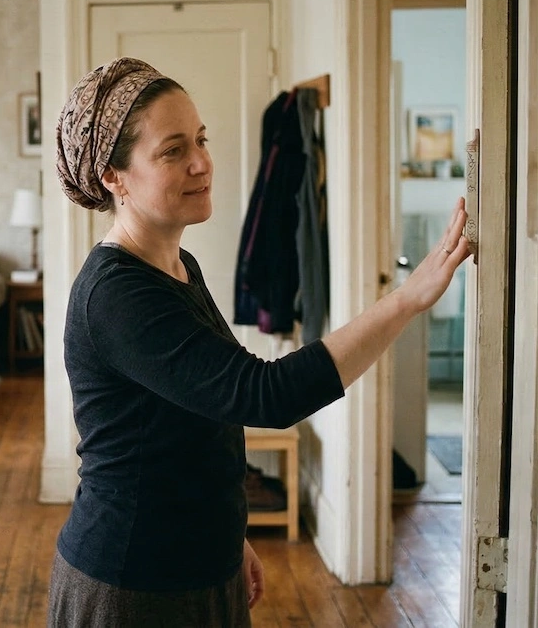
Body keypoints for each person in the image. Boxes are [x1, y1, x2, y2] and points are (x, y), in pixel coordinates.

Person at [48, 57, 470, 626]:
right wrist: (406, 299)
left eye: (200, 139)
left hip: (196, 560)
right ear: (113, 178)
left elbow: (202, 417)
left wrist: (229, 533)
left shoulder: (177, 265)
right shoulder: (116, 295)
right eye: (173, 150)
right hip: (135, 580)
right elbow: (263, 395)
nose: (202, 163)